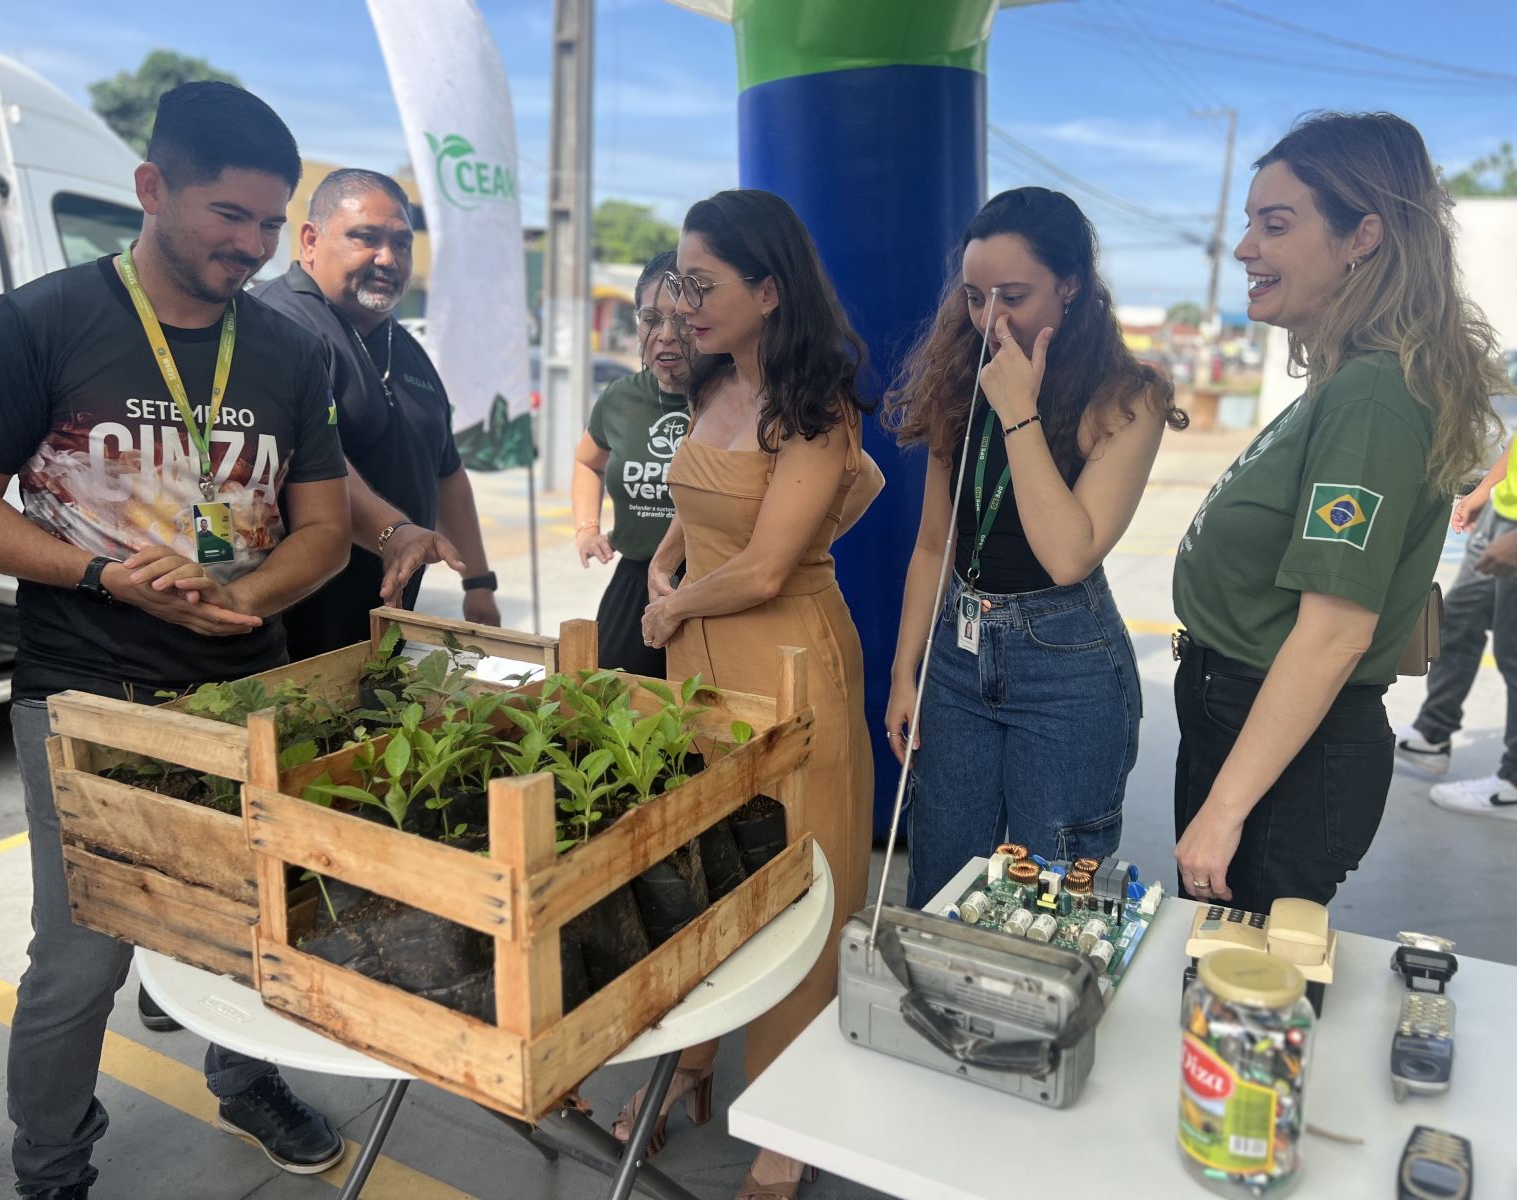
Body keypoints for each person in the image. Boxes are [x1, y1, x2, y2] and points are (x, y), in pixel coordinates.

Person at [0, 82, 353, 1197]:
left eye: (268, 224)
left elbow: (325, 532)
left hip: (240, 683)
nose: (252, 247)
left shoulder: (288, 352)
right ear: (152, 190)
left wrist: (249, 594)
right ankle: (55, 1167)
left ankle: (246, 1082)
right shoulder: (44, 319)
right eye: (228, 217)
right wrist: (108, 576)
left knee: (255, 917)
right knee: (81, 956)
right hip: (85, 688)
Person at [1171, 112, 1506, 913]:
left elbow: (1334, 631)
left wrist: (1224, 810)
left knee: (1245, 1018)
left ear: (1363, 236)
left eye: (1275, 225)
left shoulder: (1374, 396)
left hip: (1280, 751)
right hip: (1253, 724)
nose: (1246, 247)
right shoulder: (1348, 381)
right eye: (1249, 222)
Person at [633, 188, 880, 1200]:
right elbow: (698, 501)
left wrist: (671, 605)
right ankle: (691, 1053)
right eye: (679, 285)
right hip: (695, 656)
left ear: (768, 291)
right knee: (701, 862)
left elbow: (771, 565)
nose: (682, 305)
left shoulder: (817, 408)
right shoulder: (708, 386)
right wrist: (664, 565)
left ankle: (787, 1118)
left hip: (785, 660)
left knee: (796, 877)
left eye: (703, 286)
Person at [882, 187, 1181, 909]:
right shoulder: (963, 377)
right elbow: (933, 545)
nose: (990, 319)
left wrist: (1019, 410)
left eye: (1013, 295)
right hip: (957, 657)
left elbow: (1069, 554)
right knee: (944, 883)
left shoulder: (1127, 396)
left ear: (1071, 285)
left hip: (1067, 666)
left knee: (1050, 898)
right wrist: (903, 670)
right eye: (974, 298)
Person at [255, 167, 499, 659]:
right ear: (310, 239)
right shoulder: (279, 324)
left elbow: (446, 472)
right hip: (291, 629)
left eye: (402, 244)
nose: (388, 258)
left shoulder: (404, 344)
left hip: (381, 624)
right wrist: (394, 532)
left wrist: (478, 581)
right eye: (365, 238)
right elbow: (309, 453)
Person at [570, 250, 691, 675]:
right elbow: (588, 461)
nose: (665, 335)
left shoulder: (733, 397)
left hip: (711, 588)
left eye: (681, 318)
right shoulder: (621, 398)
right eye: (650, 319)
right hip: (634, 583)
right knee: (611, 711)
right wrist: (586, 529)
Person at [1396, 439, 1517, 815]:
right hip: (1504, 513)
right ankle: (1432, 734)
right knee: (1460, 619)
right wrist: (1488, 487)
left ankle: (1513, 785)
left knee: (1513, 651)